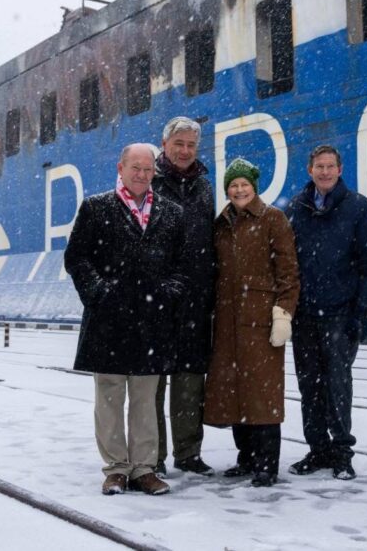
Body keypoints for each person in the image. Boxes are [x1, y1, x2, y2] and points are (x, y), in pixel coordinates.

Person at [64, 143, 187, 496]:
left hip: (152, 320)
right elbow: (77, 258)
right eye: (135, 167)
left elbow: (182, 264)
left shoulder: (172, 213)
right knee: (110, 397)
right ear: (120, 168)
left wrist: (168, 293)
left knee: (146, 400)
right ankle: (116, 468)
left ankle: (144, 469)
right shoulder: (95, 208)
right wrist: (99, 292)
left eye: (148, 169)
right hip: (109, 320)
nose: (142, 174)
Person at [285, 145, 367, 480]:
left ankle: (342, 452)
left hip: (340, 314)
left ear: (340, 170)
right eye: (319, 166)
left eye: (330, 166)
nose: (325, 172)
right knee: (309, 387)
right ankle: (318, 449)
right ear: (309, 169)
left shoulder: (358, 208)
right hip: (304, 316)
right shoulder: (297, 209)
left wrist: (364, 313)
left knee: (337, 385)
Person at [203, 158, 300, 487]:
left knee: (263, 396)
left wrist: (283, 312)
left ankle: (266, 464)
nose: (239, 189)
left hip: (260, 322)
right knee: (235, 393)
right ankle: (245, 458)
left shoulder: (273, 219)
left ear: (254, 187)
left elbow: (288, 272)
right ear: (227, 190)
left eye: (244, 184)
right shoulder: (221, 223)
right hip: (228, 322)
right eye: (233, 185)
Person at [152, 117, 215, 477]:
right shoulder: (150, 180)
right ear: (164, 144)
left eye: (191, 144)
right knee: (154, 383)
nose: (185, 151)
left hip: (195, 299)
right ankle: (154, 455)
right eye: (179, 143)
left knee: (190, 382)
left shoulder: (204, 187)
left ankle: (188, 453)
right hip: (158, 300)